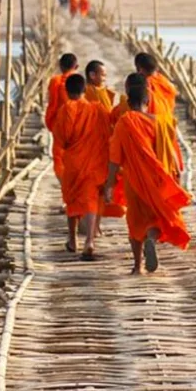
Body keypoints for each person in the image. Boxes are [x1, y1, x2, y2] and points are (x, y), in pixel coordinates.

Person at [105, 73, 191, 274]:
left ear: (128, 100)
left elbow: (115, 157)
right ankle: (152, 238)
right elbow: (172, 152)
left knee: (135, 221)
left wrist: (109, 183)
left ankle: (137, 266)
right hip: (159, 179)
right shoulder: (163, 122)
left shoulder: (125, 122)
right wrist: (176, 175)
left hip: (134, 179)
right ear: (147, 101)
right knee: (156, 217)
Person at [52, 74, 123, 258]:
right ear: (84, 90)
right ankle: (89, 240)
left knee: (71, 197)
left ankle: (72, 239)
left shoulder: (66, 109)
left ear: (67, 91)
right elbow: (109, 129)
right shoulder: (97, 109)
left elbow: (62, 138)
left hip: (74, 162)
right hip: (95, 162)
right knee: (91, 199)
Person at [45, 53, 78, 134]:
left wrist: (50, 122)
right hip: (77, 123)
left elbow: (53, 103)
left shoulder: (55, 81)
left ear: (60, 66)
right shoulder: (79, 81)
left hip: (59, 124)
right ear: (76, 67)